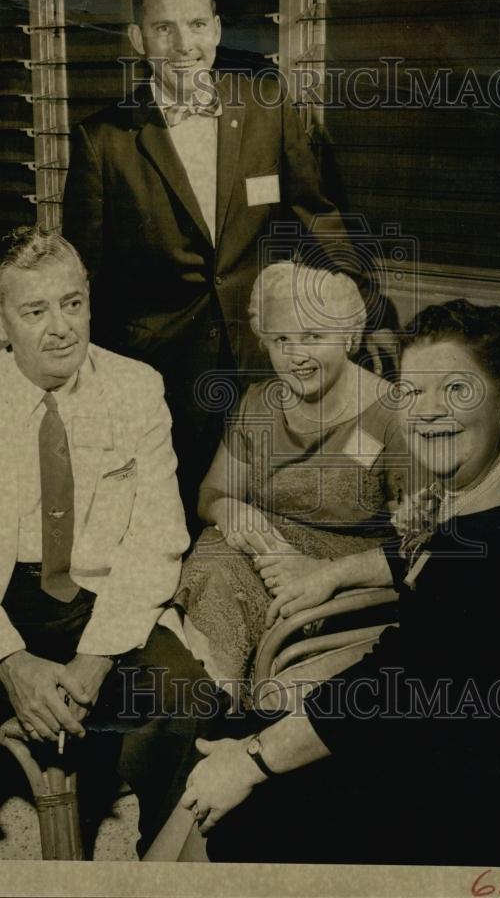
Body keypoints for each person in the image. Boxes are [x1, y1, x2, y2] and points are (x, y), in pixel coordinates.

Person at [179, 298, 500, 867]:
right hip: (446, 724)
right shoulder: (498, 489)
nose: (428, 413)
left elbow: (395, 685)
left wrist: (252, 760)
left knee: (243, 804)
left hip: (490, 793)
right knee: (232, 764)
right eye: (413, 393)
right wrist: (333, 575)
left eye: (456, 390)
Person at [0, 227, 216, 859]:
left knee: (186, 702)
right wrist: (11, 663)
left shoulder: (138, 388)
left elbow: (156, 542)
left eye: (72, 303)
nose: (61, 327)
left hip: (101, 602)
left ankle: (170, 877)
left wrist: (95, 661)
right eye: (35, 311)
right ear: (0, 319)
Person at [62, 0, 365, 529]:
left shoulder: (267, 105)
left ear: (218, 29)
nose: (184, 45)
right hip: (161, 370)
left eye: (197, 25)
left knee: (259, 508)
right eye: (164, 29)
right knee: (169, 517)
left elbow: (318, 217)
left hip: (262, 357)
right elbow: (84, 274)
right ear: (138, 39)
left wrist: (352, 306)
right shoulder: (102, 139)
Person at [173, 261, 407, 698]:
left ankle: (220, 723)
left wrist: (326, 573)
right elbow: (211, 494)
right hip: (261, 557)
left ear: (349, 337)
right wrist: (230, 509)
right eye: (281, 339)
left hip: (342, 584)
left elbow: (421, 545)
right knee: (213, 564)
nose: (295, 355)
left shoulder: (392, 415)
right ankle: (202, 713)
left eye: (313, 337)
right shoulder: (261, 402)